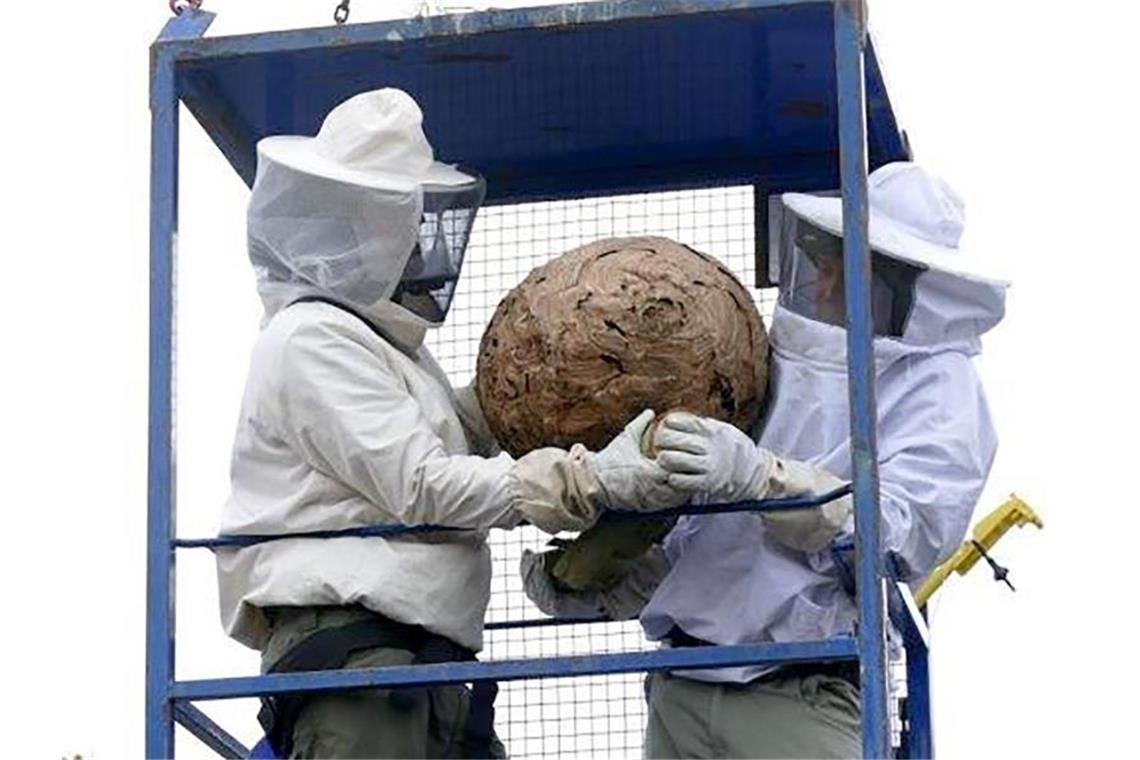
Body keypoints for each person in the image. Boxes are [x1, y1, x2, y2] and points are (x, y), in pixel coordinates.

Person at [216, 87, 685, 759]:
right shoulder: (310, 340)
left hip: (418, 661)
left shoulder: (384, 346)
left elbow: (447, 438)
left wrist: (534, 384)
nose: (417, 247)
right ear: (367, 225)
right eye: (406, 226)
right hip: (358, 661)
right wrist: (593, 478)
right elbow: (426, 485)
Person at [522, 162, 1009, 758]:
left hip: (801, 687)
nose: (826, 288)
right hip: (682, 684)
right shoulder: (766, 359)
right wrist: (606, 580)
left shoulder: (939, 387)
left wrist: (763, 479)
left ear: (905, 286)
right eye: (823, 265)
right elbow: (708, 541)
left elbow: (904, 536)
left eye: (852, 273)